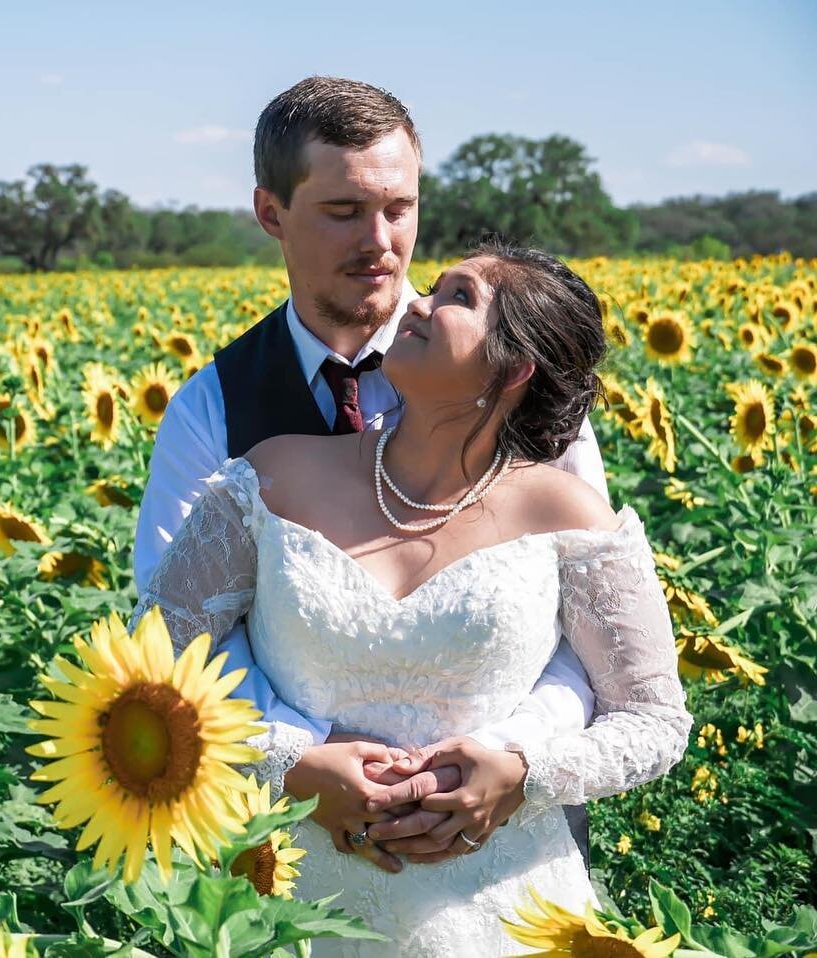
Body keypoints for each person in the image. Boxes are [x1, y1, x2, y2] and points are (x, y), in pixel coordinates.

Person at [131, 239, 691, 955]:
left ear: (513, 368)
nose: (417, 303)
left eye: (458, 297)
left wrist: (523, 774)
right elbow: (151, 667)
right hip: (279, 898)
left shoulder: (570, 514)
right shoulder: (271, 477)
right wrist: (284, 762)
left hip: (506, 912)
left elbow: (652, 717)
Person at [132, 76, 607, 878]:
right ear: (271, 213)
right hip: (282, 842)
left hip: (500, 836)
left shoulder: (512, 380)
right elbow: (173, 631)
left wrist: (510, 757)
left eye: (400, 209)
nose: (382, 240)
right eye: (344, 211)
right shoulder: (211, 409)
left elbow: (591, 619)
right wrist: (298, 755)